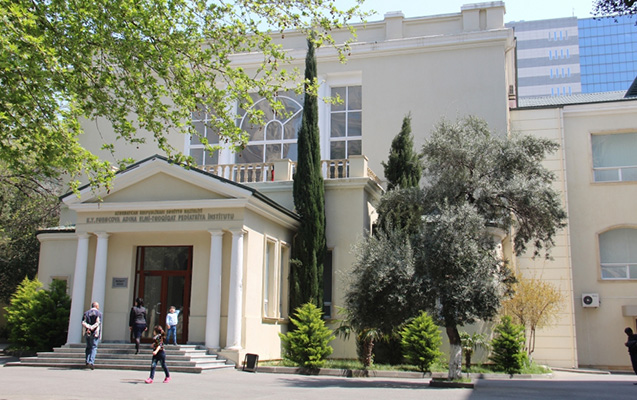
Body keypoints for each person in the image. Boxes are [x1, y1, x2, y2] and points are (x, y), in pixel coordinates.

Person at [82, 301, 102, 370]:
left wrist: (88, 327)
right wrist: (92, 327)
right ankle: (91, 362)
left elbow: (83, 322)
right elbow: (98, 322)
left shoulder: (86, 313)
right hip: (95, 333)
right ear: (96, 306)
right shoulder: (98, 313)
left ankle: (87, 361)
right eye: (98, 306)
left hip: (87, 332)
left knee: (88, 347)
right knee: (94, 347)